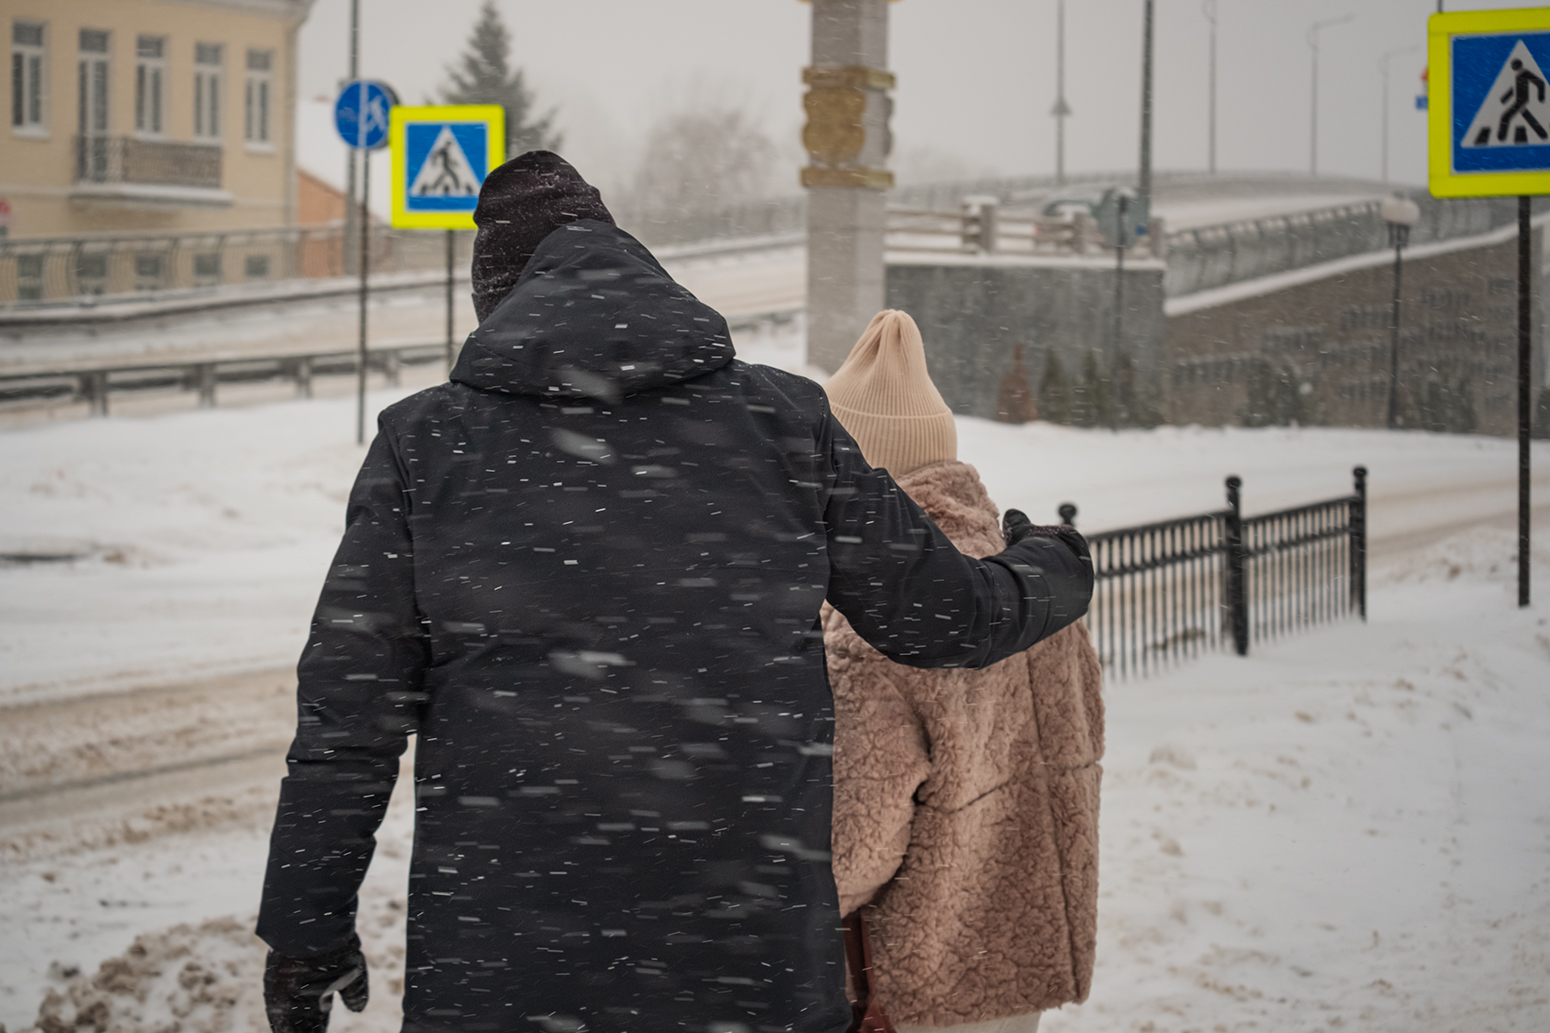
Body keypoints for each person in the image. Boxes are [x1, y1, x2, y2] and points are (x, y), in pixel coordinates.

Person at [256, 152, 1094, 1033]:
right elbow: (948, 616)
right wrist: (1053, 563)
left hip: (506, 970)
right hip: (746, 971)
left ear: (499, 309)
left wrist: (306, 930)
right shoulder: (783, 422)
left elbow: (346, 721)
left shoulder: (426, 446)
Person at [824, 312, 1104, 1033]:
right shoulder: (1032, 584)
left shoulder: (873, 618)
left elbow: (854, 847)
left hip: (919, 980)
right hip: (1024, 958)